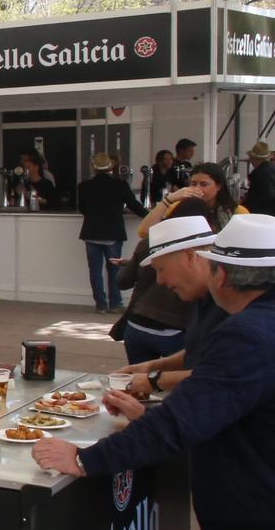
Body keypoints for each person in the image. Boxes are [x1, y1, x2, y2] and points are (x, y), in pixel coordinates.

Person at [32, 214, 275, 528]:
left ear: (222, 275)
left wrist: (84, 459)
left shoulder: (247, 335)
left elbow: (182, 420)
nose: (160, 281)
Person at [114, 211, 228, 392]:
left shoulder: (229, 302)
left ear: (190, 256)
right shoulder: (201, 296)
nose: (160, 280)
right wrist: (153, 366)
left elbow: (222, 373)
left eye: (162, 269)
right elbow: (197, 351)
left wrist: (153, 380)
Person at [76, 152, 149, 313]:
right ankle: (115, 303)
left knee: (95, 270)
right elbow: (134, 205)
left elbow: (82, 209)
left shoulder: (83, 186)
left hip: (91, 232)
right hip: (113, 232)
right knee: (114, 269)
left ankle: (100, 304)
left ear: (93, 167)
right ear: (111, 167)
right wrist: (151, 216)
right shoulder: (120, 185)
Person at [138, 162, 247, 238]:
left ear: (219, 186)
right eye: (193, 184)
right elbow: (144, 232)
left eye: (204, 184)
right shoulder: (179, 207)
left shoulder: (236, 212)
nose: (197, 188)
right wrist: (169, 200)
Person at [244, 141, 275, 216]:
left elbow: (268, 195)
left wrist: (245, 205)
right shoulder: (271, 168)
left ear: (255, 159)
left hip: (263, 214)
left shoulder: (259, 173)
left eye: (251, 158)